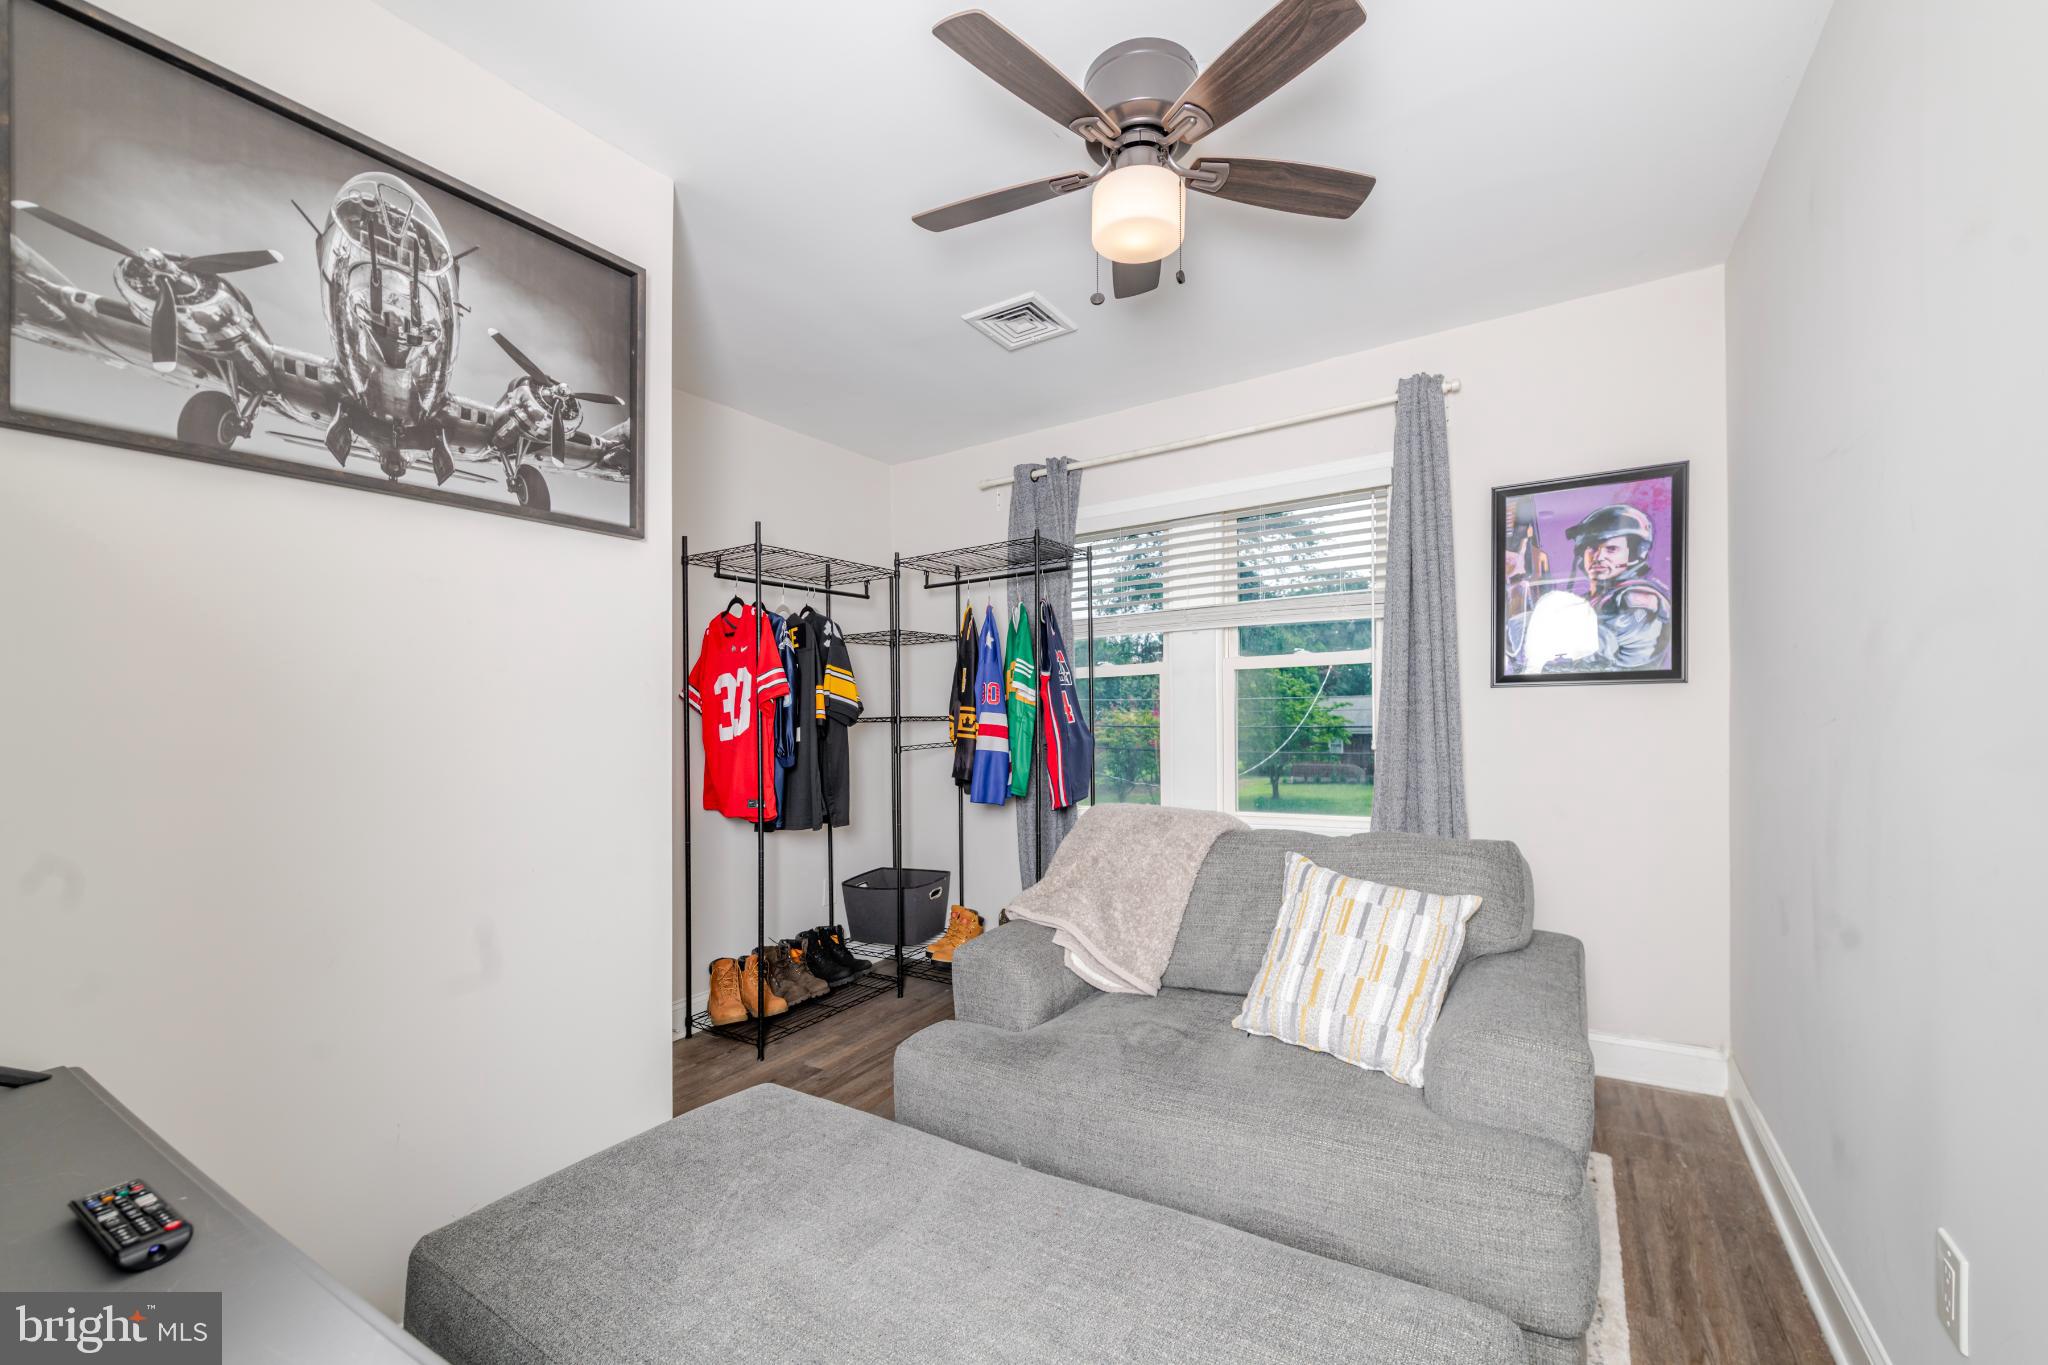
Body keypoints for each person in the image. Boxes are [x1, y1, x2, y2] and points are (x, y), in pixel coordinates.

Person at [1564, 503, 1672, 670]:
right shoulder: (1590, 600)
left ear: (1633, 554)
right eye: (1592, 548)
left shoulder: (1635, 600)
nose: (1599, 557)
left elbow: (1590, 655)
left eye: (1611, 549)